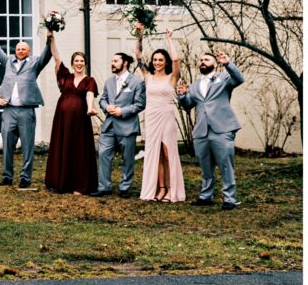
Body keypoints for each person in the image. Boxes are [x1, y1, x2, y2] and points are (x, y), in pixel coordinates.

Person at [0, 17, 53, 188]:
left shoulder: (34, 63)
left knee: (27, 146)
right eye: (18, 48)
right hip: (9, 110)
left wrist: (50, 36)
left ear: (29, 51)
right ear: (15, 50)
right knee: (7, 144)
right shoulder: (8, 61)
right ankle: (7, 176)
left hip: (26, 111)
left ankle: (25, 178)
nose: (21, 51)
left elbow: (47, 55)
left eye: (24, 49)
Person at [178, 51, 244, 209]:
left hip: (222, 128)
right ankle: (206, 196)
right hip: (201, 130)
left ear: (215, 64)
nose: (202, 61)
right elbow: (188, 105)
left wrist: (227, 63)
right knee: (205, 166)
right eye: (201, 59)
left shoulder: (224, 78)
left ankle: (229, 199)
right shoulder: (194, 85)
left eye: (206, 59)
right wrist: (182, 96)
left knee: (225, 165)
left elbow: (239, 79)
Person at [135, 25, 185, 202]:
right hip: (151, 116)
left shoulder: (172, 78)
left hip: (166, 115)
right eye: (155, 60)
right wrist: (140, 35)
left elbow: (177, 60)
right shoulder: (148, 76)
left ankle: (172, 189)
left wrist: (170, 39)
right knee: (154, 153)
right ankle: (161, 188)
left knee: (167, 151)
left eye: (161, 60)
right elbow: (138, 57)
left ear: (165, 62)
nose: (157, 62)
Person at [44, 34, 99, 194]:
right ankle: (61, 183)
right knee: (63, 146)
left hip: (80, 119)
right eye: (76, 61)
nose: (79, 63)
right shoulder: (65, 76)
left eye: (82, 61)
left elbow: (89, 94)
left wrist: (90, 108)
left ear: (85, 63)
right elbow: (56, 57)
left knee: (79, 150)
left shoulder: (90, 80)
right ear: (72, 63)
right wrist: (52, 38)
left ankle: (79, 185)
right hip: (62, 119)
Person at [91, 53, 147, 198]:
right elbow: (102, 99)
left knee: (128, 158)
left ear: (125, 63)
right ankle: (104, 187)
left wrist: (122, 111)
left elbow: (140, 104)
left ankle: (124, 187)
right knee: (103, 154)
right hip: (109, 125)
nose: (112, 63)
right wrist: (106, 106)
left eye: (115, 61)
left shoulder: (137, 82)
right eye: (112, 61)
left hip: (127, 126)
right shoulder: (109, 81)